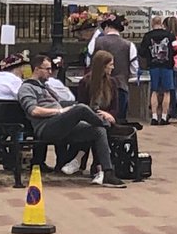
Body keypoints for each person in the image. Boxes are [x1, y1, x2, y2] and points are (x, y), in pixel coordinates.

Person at [17, 55, 126, 188]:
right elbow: (33, 111)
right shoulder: (26, 88)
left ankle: (108, 173)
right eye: (47, 69)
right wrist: (61, 112)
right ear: (36, 69)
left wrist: (67, 109)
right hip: (46, 127)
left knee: (98, 130)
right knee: (81, 108)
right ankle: (110, 125)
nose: (50, 72)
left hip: (62, 126)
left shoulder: (45, 87)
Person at [95, 14, 138, 118]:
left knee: (100, 117)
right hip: (121, 86)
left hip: (100, 86)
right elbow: (134, 67)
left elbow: (88, 61)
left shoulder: (97, 41)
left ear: (107, 27)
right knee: (119, 118)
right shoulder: (129, 45)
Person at [139, 15, 177, 125]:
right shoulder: (170, 35)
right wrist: (170, 55)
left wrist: (149, 56)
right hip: (167, 66)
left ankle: (154, 117)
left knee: (154, 91)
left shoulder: (147, 36)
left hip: (153, 66)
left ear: (152, 24)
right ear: (161, 24)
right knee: (166, 92)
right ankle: (164, 117)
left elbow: (141, 51)